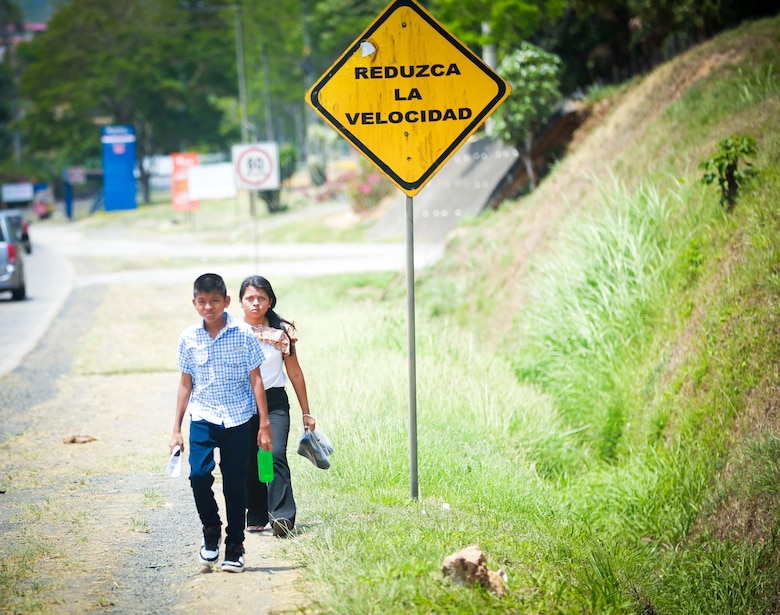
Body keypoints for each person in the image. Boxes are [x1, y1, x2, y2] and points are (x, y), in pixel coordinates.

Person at [170, 273, 272, 573]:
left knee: (235, 483)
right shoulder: (188, 338)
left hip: (239, 418)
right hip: (202, 416)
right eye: (202, 302)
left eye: (215, 301)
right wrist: (176, 428)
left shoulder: (243, 334)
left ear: (226, 301)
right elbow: (185, 383)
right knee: (198, 475)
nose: (209, 307)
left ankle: (235, 545)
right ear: (194, 303)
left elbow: (256, 379)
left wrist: (264, 424)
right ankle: (211, 530)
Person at [238, 275, 316, 538]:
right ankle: (257, 511)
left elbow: (295, 373)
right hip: (242, 403)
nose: (256, 303)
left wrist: (306, 411)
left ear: (270, 301)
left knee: (275, 453)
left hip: (274, 402)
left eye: (261, 298)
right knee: (249, 458)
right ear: (240, 302)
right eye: (250, 298)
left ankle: (282, 515)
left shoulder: (282, 333)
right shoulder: (233, 333)